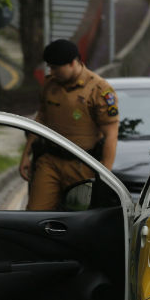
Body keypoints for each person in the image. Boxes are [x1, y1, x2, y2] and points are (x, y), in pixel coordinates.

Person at [19, 39, 120, 210]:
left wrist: (105, 176)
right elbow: (41, 119)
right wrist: (26, 155)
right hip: (49, 162)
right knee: (34, 215)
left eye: (56, 67)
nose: (52, 71)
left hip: (82, 166)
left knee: (78, 221)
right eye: (50, 67)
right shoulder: (50, 84)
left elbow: (111, 134)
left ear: (73, 63)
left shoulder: (99, 90)